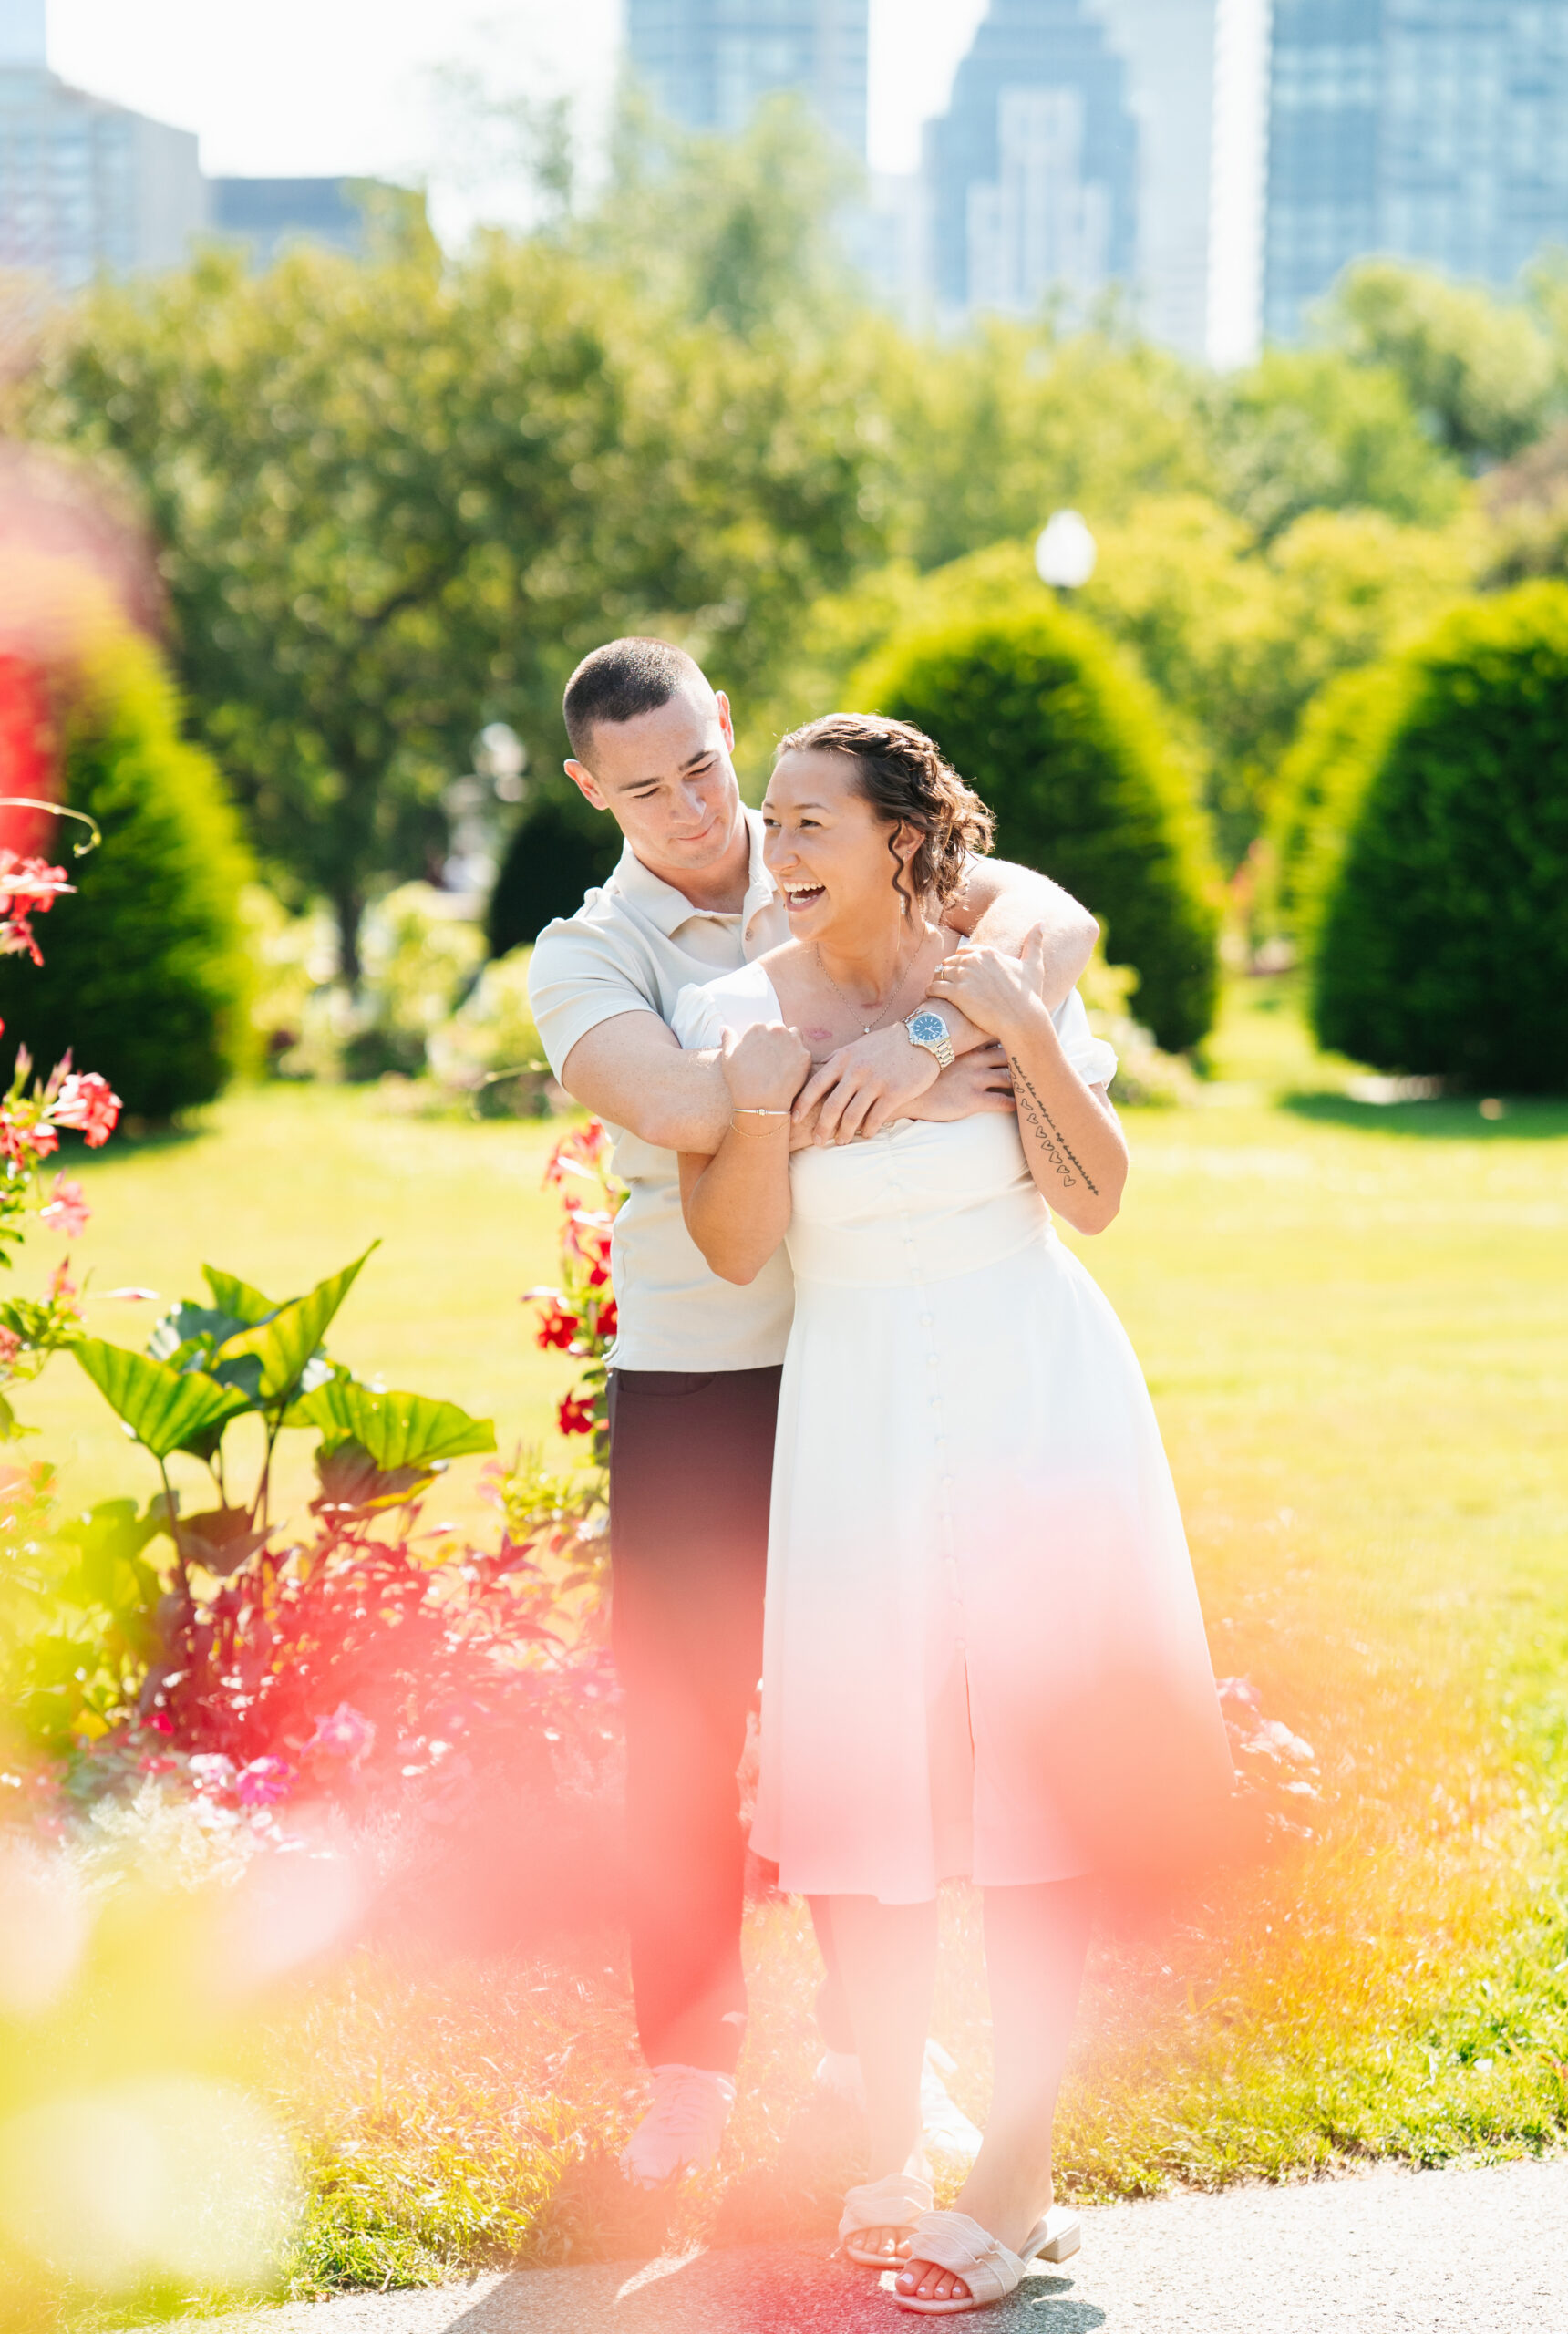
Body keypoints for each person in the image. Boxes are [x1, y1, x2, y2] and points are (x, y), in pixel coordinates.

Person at [673, 714, 1233, 2313]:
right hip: (855, 1418)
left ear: (903, 839)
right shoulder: (737, 1014)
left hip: (1034, 1398)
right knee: (868, 1777)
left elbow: (1096, 1193)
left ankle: (1021, 2168)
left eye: (807, 828)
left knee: (1043, 1782)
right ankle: (890, 2156)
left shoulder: (999, 977)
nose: (774, 856)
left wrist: (1001, 1035)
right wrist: (768, 1106)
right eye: (769, 825)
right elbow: (730, 1249)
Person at [527, 640, 1100, 2187]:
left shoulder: (830, 840)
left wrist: (928, 1025)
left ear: (727, 725)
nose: (697, 811)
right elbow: (691, 1102)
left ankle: (879, 2063)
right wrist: (918, 1039)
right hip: (705, 1367)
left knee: (876, 1719)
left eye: (704, 766)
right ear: (591, 791)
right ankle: (688, 2074)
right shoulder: (583, 954)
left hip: (873, 1358)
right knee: (687, 1725)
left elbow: (1049, 919)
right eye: (644, 790)